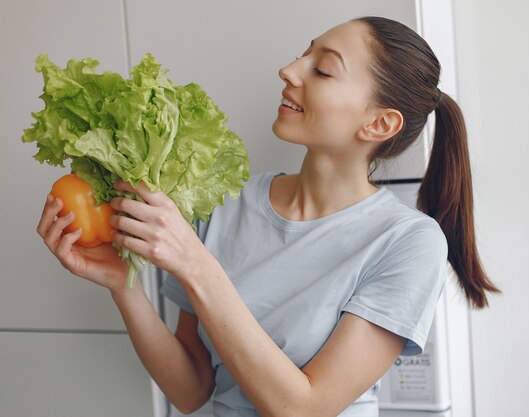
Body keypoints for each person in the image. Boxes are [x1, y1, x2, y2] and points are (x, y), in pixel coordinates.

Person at [36, 16, 499, 417]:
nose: (289, 70)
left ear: (379, 123)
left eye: (321, 69)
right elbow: (192, 390)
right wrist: (126, 288)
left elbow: (302, 408)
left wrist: (195, 262)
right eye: (304, 54)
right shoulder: (224, 201)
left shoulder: (407, 242)